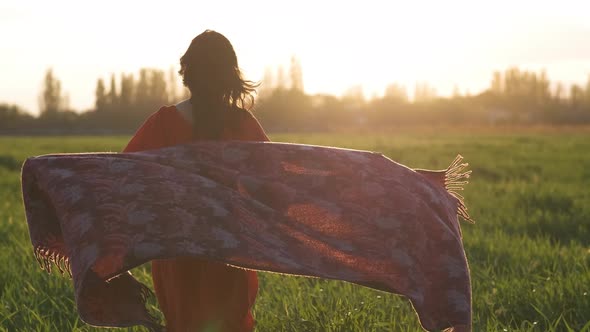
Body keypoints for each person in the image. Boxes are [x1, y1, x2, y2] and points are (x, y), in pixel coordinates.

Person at [123, 30, 269, 332]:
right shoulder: (243, 124)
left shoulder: (162, 123)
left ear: (187, 72)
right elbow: (271, 184)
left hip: (177, 252)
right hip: (230, 249)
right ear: (230, 75)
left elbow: (123, 179)